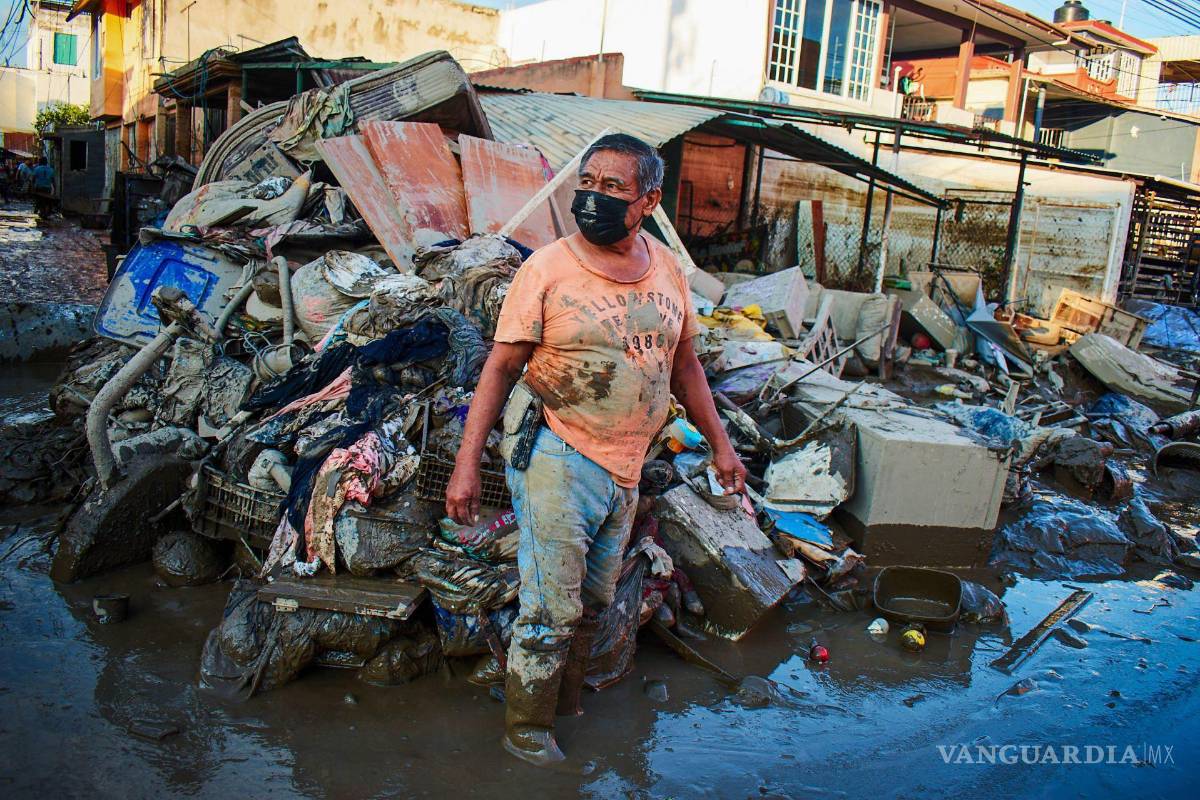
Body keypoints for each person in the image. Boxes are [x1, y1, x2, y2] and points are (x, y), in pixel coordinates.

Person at [445, 133, 746, 767]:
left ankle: (563, 700)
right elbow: (498, 370)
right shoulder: (547, 268)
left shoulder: (666, 266)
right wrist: (466, 465)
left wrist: (721, 448)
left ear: (649, 199)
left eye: (614, 188)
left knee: (596, 600)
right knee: (553, 604)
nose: (594, 198)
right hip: (557, 449)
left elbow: (685, 364)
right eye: (588, 183)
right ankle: (525, 727)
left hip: (627, 462)